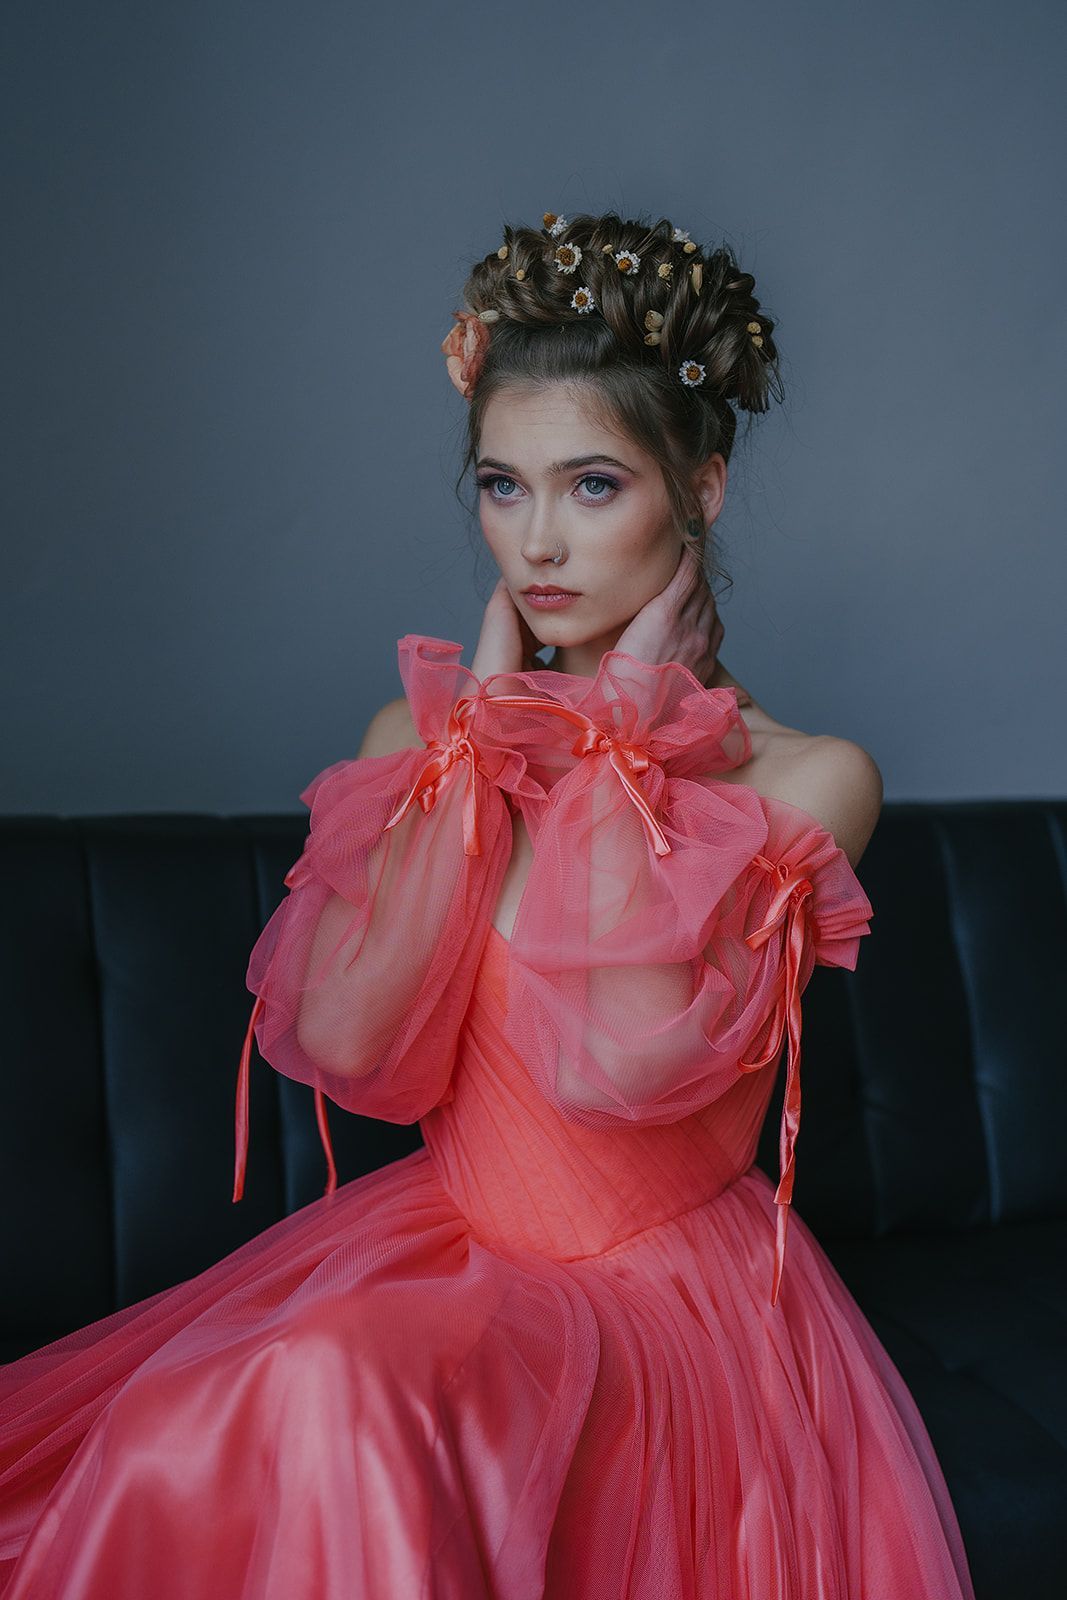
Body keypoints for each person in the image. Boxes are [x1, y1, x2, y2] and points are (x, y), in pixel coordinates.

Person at [0, 209, 977, 1599]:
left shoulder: (811, 779)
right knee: (226, 1411)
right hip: (456, 1253)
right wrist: (471, 744)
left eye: (591, 486)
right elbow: (350, 1045)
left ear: (698, 488)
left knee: (332, 1391)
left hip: (658, 1308)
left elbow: (618, 1053)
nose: (538, 546)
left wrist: (629, 720)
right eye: (502, 487)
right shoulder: (413, 745)